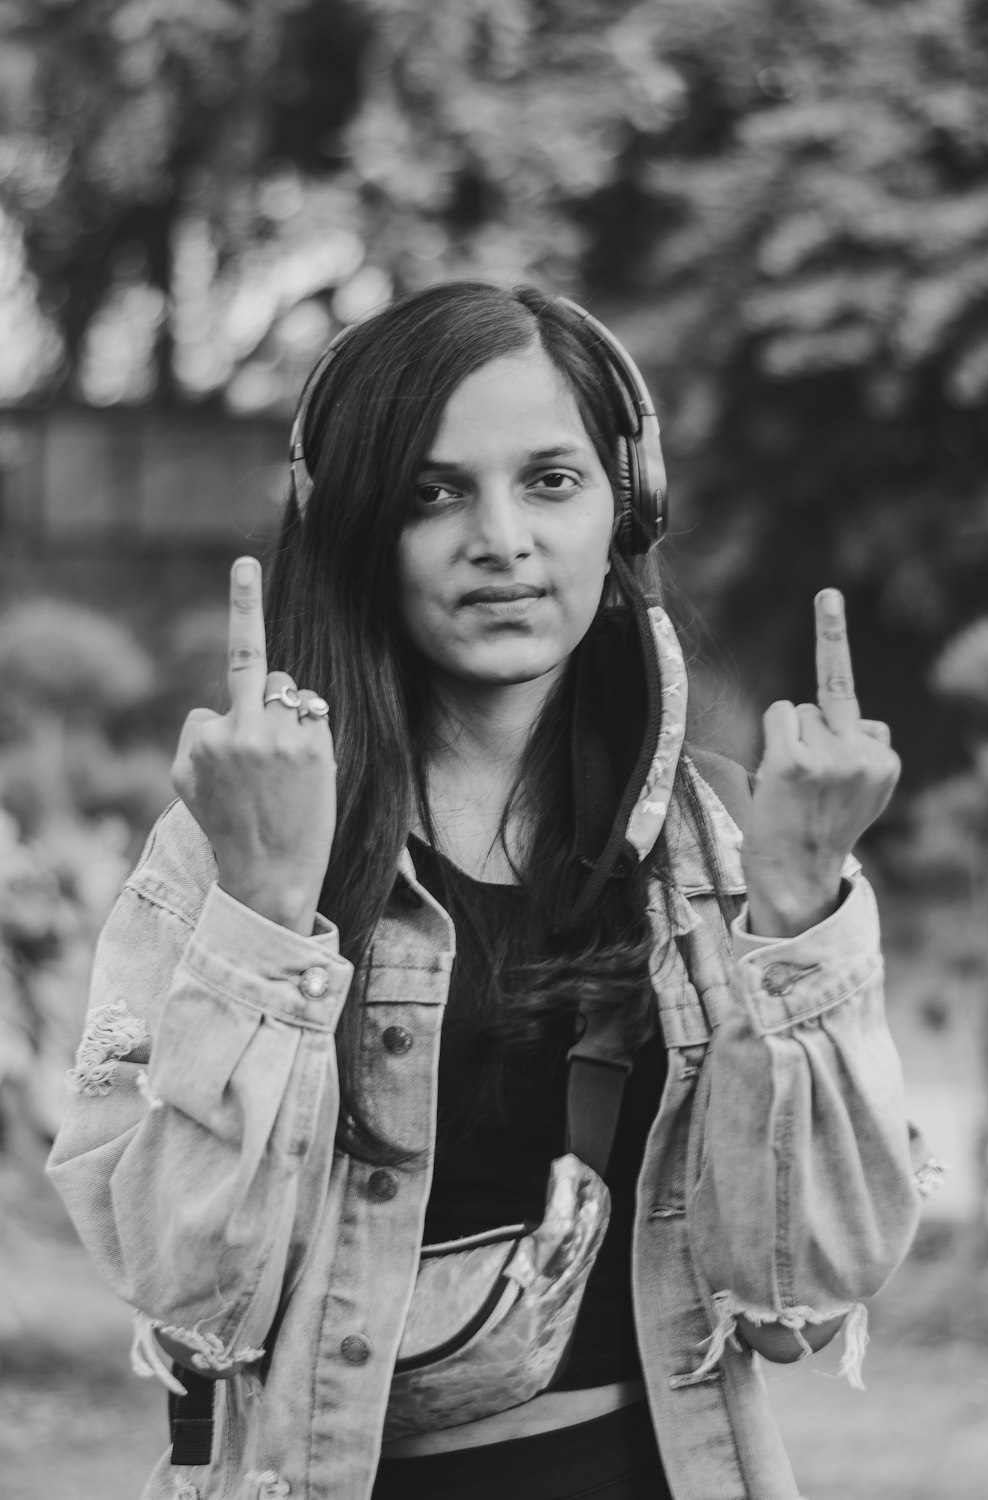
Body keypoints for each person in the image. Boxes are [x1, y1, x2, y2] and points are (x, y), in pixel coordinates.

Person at [48, 282, 928, 1500]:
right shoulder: (229, 844)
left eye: (551, 482)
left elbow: (801, 1297)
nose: (502, 538)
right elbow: (189, 1293)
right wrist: (260, 911)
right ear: (355, 524)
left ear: (627, 508)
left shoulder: (720, 846)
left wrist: (800, 915)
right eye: (434, 491)